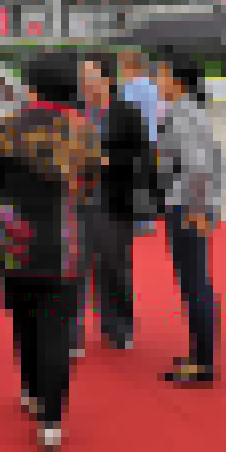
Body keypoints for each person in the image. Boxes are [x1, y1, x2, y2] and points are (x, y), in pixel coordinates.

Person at [0, 50, 99, 452]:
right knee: (57, 326)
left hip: (15, 234)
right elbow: (89, 185)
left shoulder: (7, 125)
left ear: (32, 84)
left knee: (23, 317)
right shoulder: (82, 128)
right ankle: (51, 420)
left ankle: (30, 391)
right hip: (64, 236)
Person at [152, 50, 223, 384]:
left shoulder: (185, 115)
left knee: (195, 282)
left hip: (186, 206)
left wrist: (197, 209)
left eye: (162, 74)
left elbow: (199, 168)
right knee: (195, 281)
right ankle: (201, 354)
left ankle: (203, 362)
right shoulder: (184, 111)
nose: (157, 81)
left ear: (177, 80)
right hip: (185, 202)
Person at [77, 53, 152, 353]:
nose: (85, 82)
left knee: (114, 265)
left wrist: (110, 160)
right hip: (76, 199)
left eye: (90, 76)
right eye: (82, 77)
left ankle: (119, 326)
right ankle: (72, 332)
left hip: (113, 198)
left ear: (107, 78)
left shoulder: (126, 113)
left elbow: (143, 155)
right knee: (74, 267)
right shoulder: (75, 112)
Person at [117, 50, 161, 236]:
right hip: (151, 139)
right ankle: (148, 221)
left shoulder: (129, 88)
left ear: (129, 66)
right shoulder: (153, 87)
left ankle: (136, 221)